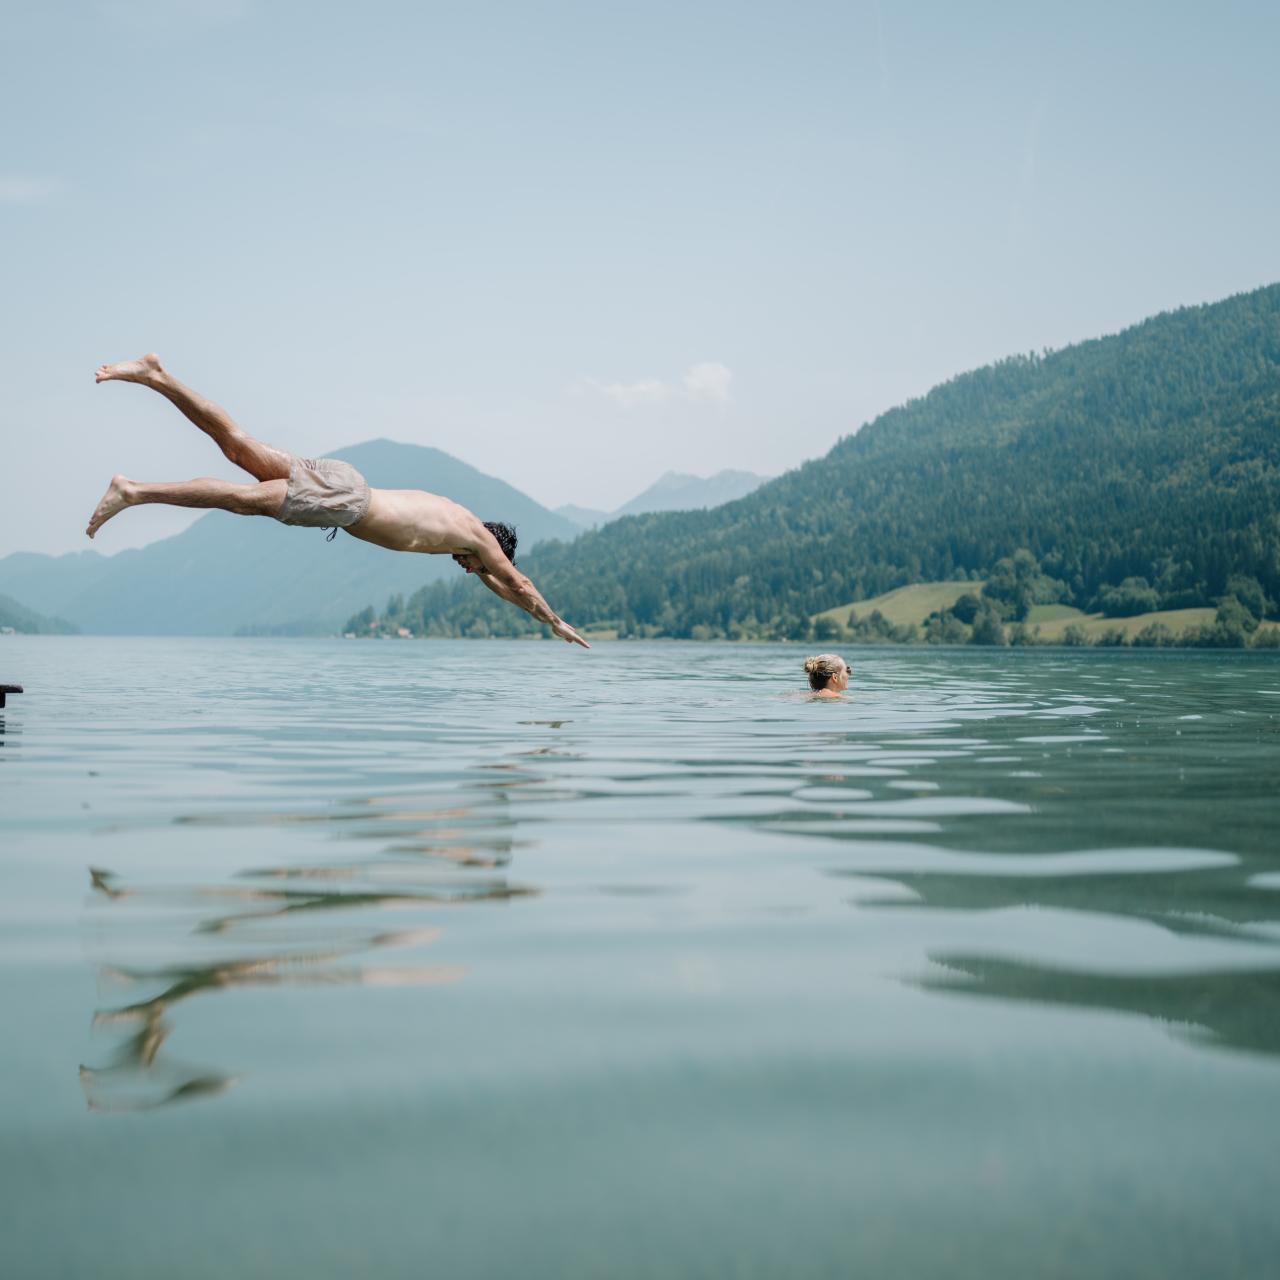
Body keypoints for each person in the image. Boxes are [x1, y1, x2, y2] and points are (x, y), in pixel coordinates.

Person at [86, 354, 589, 648]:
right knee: (242, 499)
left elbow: (498, 585)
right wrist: (554, 621)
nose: (467, 570)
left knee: (238, 447)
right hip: (346, 503)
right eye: (474, 566)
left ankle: (157, 374)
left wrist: (525, 608)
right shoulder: (477, 538)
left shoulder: (456, 516)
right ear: (489, 549)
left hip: (347, 482)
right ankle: (135, 491)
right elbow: (513, 581)